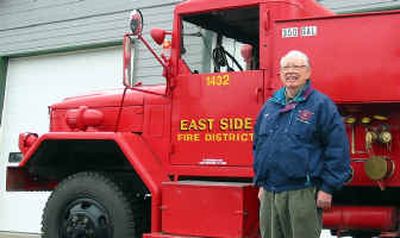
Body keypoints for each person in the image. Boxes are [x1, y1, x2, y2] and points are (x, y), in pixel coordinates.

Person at [253, 50, 351, 238]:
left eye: (297, 67)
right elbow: (259, 145)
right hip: (270, 192)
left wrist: (327, 188)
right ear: (280, 74)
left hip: (302, 192)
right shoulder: (270, 106)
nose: (291, 71)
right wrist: (261, 183)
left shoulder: (321, 105)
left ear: (308, 73)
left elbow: (337, 149)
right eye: (286, 67)